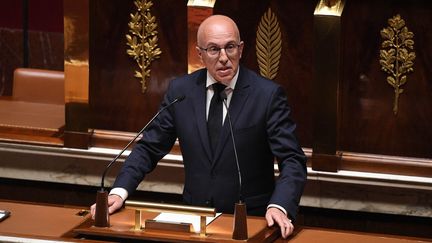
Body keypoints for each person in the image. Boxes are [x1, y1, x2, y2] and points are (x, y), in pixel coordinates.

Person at [91, 14, 307, 238]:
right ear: (200, 54)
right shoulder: (181, 92)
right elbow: (149, 148)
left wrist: (279, 205)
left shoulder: (267, 96)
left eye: (230, 47)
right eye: (213, 49)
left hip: (251, 222)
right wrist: (119, 191)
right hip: (195, 221)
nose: (224, 57)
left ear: (241, 49)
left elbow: (292, 159)